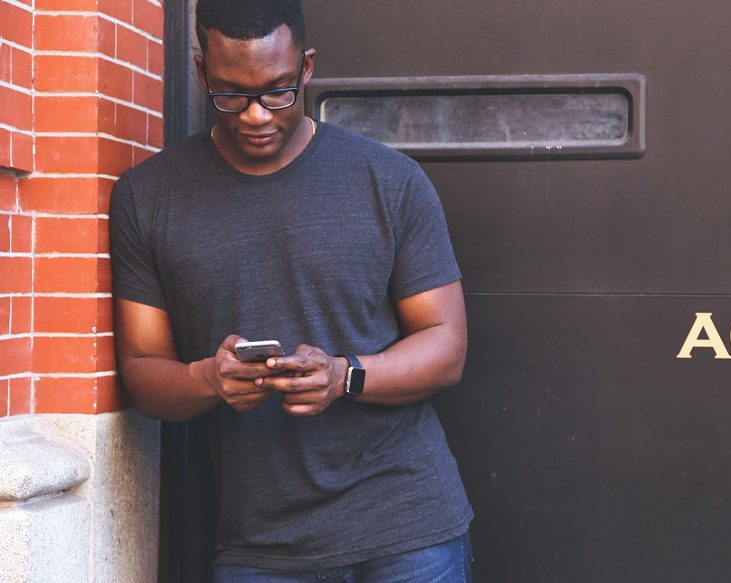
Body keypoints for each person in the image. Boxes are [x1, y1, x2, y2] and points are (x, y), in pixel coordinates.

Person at [109, 0, 473, 580]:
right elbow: (144, 375)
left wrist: (344, 376)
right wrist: (210, 378)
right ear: (201, 73)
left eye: (277, 91)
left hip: (406, 526)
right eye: (231, 94)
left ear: (306, 67)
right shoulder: (148, 197)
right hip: (261, 547)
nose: (256, 115)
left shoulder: (389, 180)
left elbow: (446, 345)